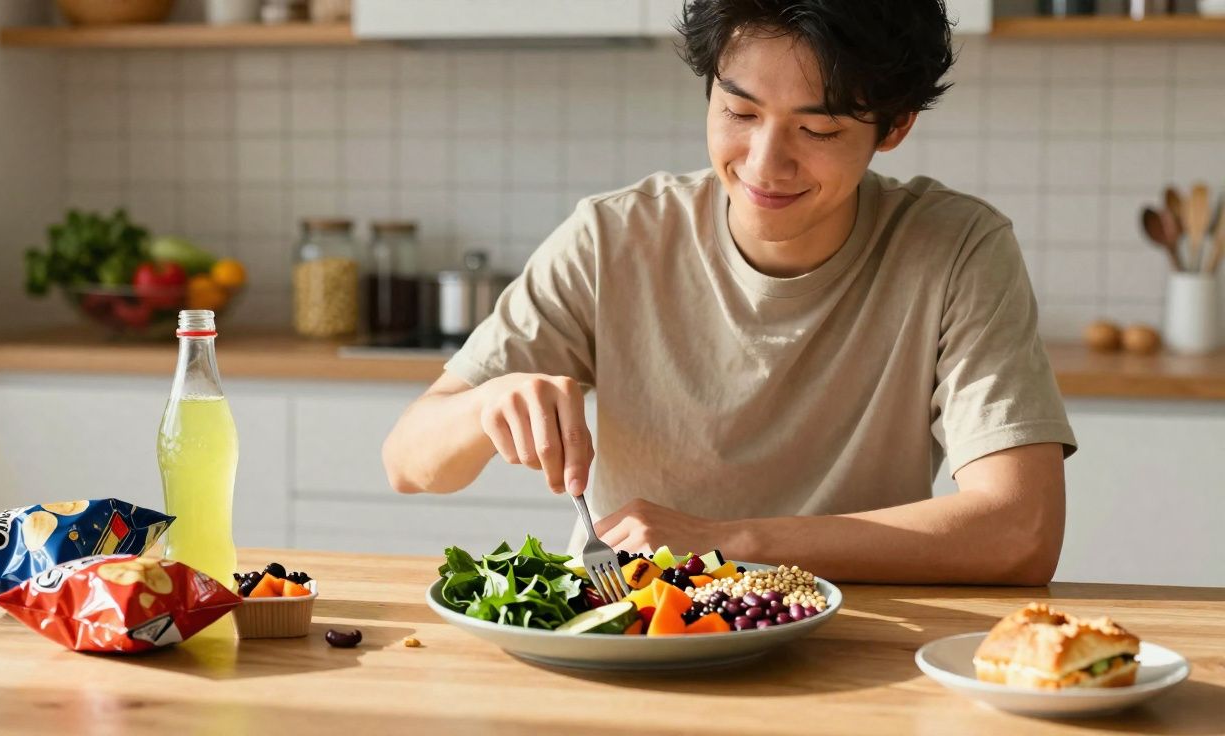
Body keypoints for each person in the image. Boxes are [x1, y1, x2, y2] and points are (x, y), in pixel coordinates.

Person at [382, 0, 1077, 585]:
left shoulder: (956, 249)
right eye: (740, 113)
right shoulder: (613, 237)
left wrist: (727, 543)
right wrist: (484, 405)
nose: (765, 165)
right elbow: (409, 463)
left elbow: (1021, 530)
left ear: (894, 127)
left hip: (855, 643)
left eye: (818, 128)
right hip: (628, 631)